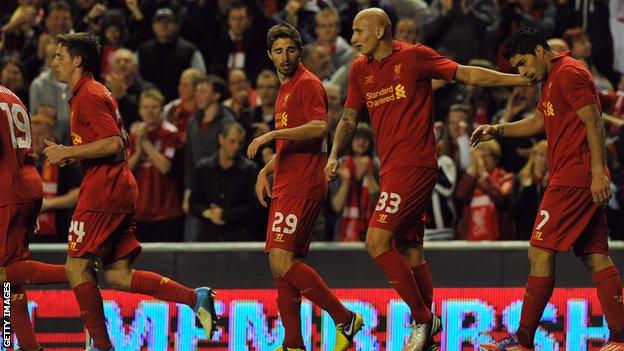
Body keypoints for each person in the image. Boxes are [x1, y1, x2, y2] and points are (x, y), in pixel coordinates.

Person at [325, 8, 530, 350]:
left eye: (359, 31)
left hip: (415, 164)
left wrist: (518, 79)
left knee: (376, 242)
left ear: (380, 31)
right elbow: (348, 118)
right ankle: (429, 336)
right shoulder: (360, 69)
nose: (353, 38)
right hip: (390, 168)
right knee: (409, 248)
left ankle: (423, 318)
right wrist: (334, 154)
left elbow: (466, 74)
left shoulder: (416, 57)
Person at [45, 33, 217, 351]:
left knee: (76, 266)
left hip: (104, 191)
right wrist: (73, 153)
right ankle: (195, 298)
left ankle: (100, 345)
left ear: (76, 60)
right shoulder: (91, 93)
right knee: (119, 275)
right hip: (119, 187)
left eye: (59, 56)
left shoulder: (88, 95)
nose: (54, 62)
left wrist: (67, 150)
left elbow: (114, 143)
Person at [472, 27, 624, 351]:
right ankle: (621, 337)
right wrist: (498, 129)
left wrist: (598, 173)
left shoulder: (569, 73)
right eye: (518, 69)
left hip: (573, 179)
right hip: (574, 176)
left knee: (539, 252)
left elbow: (594, 121)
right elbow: (541, 120)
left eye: (524, 63)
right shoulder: (552, 77)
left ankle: (522, 340)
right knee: (596, 258)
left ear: (541, 51)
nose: (523, 73)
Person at [247, 22, 363, 351]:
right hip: (286, 181)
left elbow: (317, 127)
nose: (285, 57)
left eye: (291, 50)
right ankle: (294, 343)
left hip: (303, 184)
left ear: (300, 51)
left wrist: (272, 135)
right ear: (270, 55)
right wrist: (268, 169)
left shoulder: (308, 84)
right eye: (279, 51)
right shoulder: (285, 89)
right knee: (280, 265)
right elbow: (294, 144)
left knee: (283, 262)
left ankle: (345, 318)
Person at [0, 84, 68, 351]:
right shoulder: (12, 95)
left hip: (7, 191)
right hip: (27, 185)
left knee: (5, 271)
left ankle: (76, 272)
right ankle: (27, 346)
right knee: (11, 281)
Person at [190, 122, 264, 241]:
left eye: (240, 143)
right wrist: (207, 213)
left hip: (238, 237)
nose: (236, 147)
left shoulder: (250, 170)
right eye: (232, 141)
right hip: (209, 236)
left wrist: (226, 214)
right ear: (221, 139)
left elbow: (254, 205)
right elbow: (193, 203)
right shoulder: (203, 168)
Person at [128, 89, 184, 242]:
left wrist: (145, 142)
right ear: (140, 110)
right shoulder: (134, 134)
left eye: (154, 107)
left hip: (166, 211)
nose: (149, 111)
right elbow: (126, 171)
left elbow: (165, 167)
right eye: (145, 107)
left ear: (161, 109)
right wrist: (138, 152)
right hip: (140, 212)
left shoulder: (170, 133)